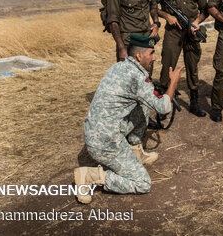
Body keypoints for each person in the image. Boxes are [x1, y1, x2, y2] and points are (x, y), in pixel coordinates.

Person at [74, 35, 184, 203]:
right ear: (139, 56)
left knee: (144, 107)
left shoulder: (120, 66)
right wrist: (173, 82)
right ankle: (90, 176)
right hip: (105, 142)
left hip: (96, 130)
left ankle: (136, 153)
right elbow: (163, 107)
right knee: (142, 183)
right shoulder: (137, 77)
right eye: (151, 53)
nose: (154, 57)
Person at [155, 0, 208, 118]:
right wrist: (166, 16)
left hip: (191, 33)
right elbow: (151, 5)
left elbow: (206, 10)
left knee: (192, 67)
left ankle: (194, 103)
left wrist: (197, 22)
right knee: (168, 65)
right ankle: (163, 105)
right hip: (173, 32)